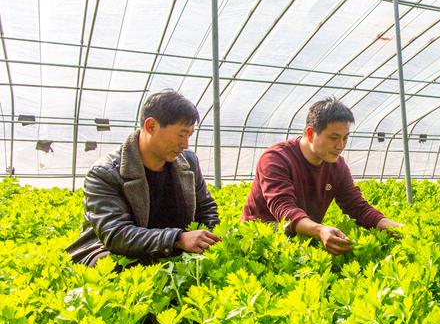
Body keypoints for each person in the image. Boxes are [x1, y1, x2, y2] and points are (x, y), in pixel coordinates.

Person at [67, 90, 221, 266]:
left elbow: (206, 207)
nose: (185, 144)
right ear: (151, 126)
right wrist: (177, 239)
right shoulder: (104, 173)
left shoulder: (189, 161)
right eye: (181, 134)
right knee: (118, 266)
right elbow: (117, 233)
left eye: (189, 135)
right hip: (117, 252)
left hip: (170, 250)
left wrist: (208, 240)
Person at [242, 97, 402, 255]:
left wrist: (395, 227)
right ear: (311, 133)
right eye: (334, 138)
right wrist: (320, 230)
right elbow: (283, 209)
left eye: (345, 138)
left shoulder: (337, 166)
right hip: (258, 242)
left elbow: (357, 207)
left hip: (301, 240)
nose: (340, 146)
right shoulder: (276, 159)